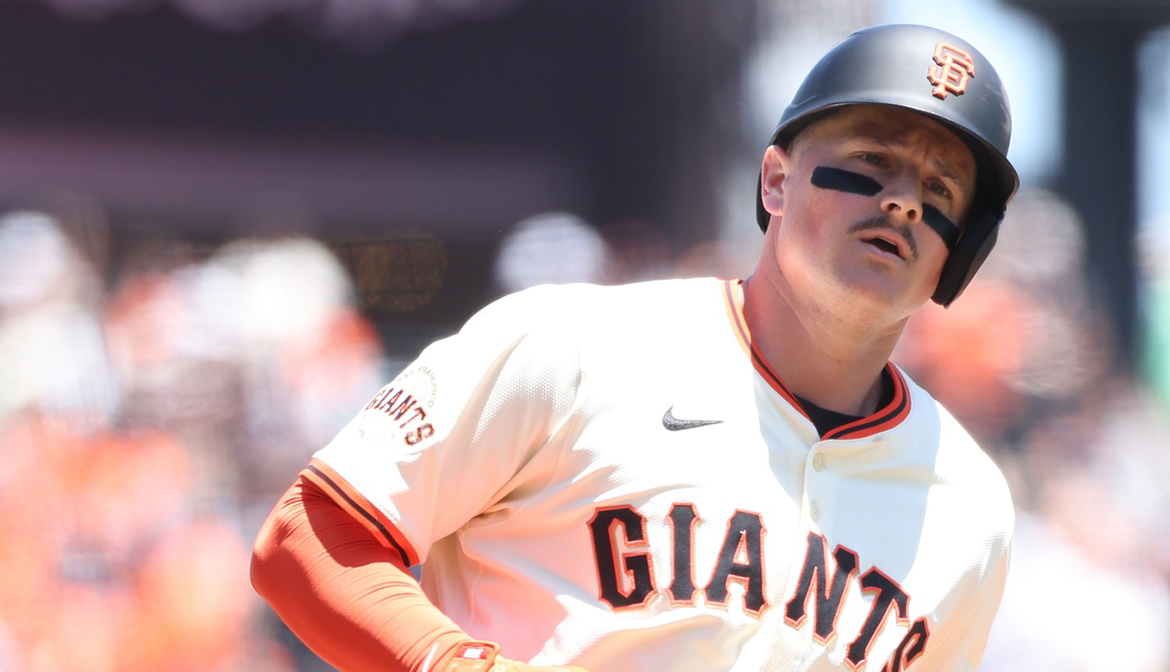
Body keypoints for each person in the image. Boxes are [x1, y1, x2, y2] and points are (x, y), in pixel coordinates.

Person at [251, 23, 1018, 672]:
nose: (903, 201)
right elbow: (308, 535)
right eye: (874, 160)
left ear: (959, 255)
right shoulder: (576, 348)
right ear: (776, 182)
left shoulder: (969, 509)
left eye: (941, 189)